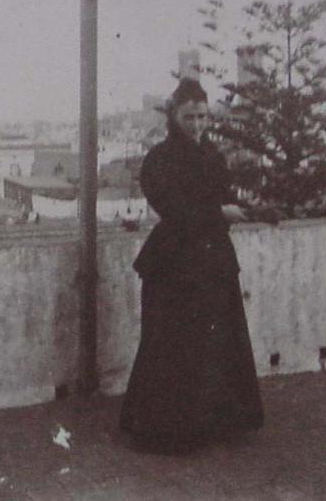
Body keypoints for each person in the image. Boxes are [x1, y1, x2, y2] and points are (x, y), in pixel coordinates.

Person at [120, 77, 264, 453]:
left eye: (202, 116)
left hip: (212, 258)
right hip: (175, 263)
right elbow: (173, 208)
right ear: (173, 116)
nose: (197, 124)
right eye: (189, 117)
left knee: (213, 344)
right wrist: (220, 212)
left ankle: (210, 424)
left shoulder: (212, 156)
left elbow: (221, 194)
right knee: (173, 346)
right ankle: (169, 431)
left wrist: (242, 203)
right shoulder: (159, 160)